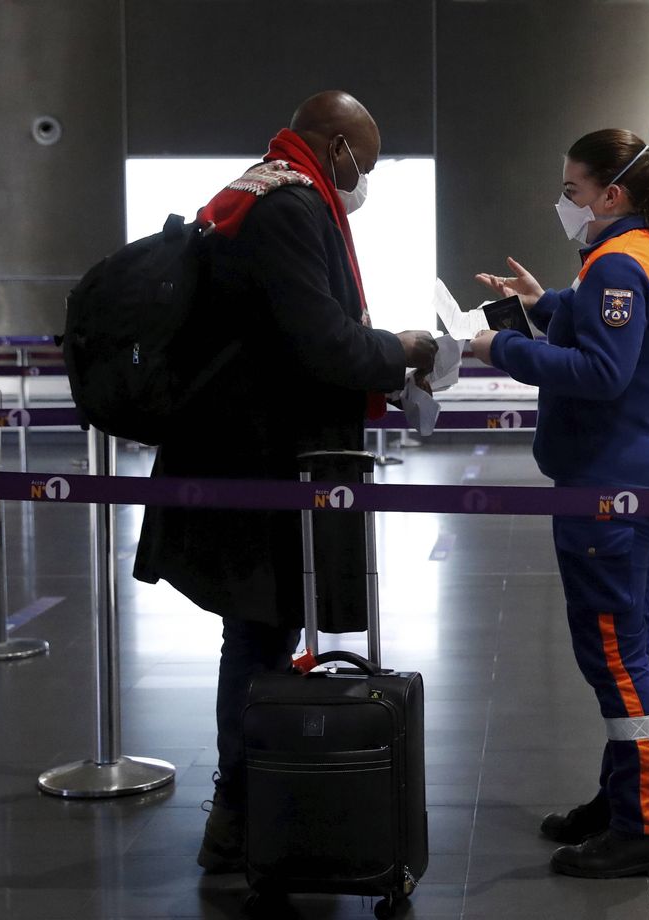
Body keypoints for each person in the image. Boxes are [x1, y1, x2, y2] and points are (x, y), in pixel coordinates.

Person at [132, 90, 438, 873]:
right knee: (260, 636)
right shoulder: (292, 207)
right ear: (332, 145)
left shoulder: (255, 190)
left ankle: (252, 807)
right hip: (259, 461)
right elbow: (323, 343)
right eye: (360, 166)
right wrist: (401, 349)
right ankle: (243, 813)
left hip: (236, 453)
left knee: (258, 634)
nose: (360, 183)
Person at [471, 128, 649, 879]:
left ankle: (643, 827)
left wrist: (495, 349)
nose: (565, 204)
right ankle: (623, 796)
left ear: (613, 194)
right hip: (633, 475)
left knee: (615, 652)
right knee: (623, 645)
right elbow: (604, 321)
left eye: (573, 191)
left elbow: (601, 371)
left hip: (612, 489)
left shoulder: (619, 264)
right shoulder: (642, 255)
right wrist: (543, 306)